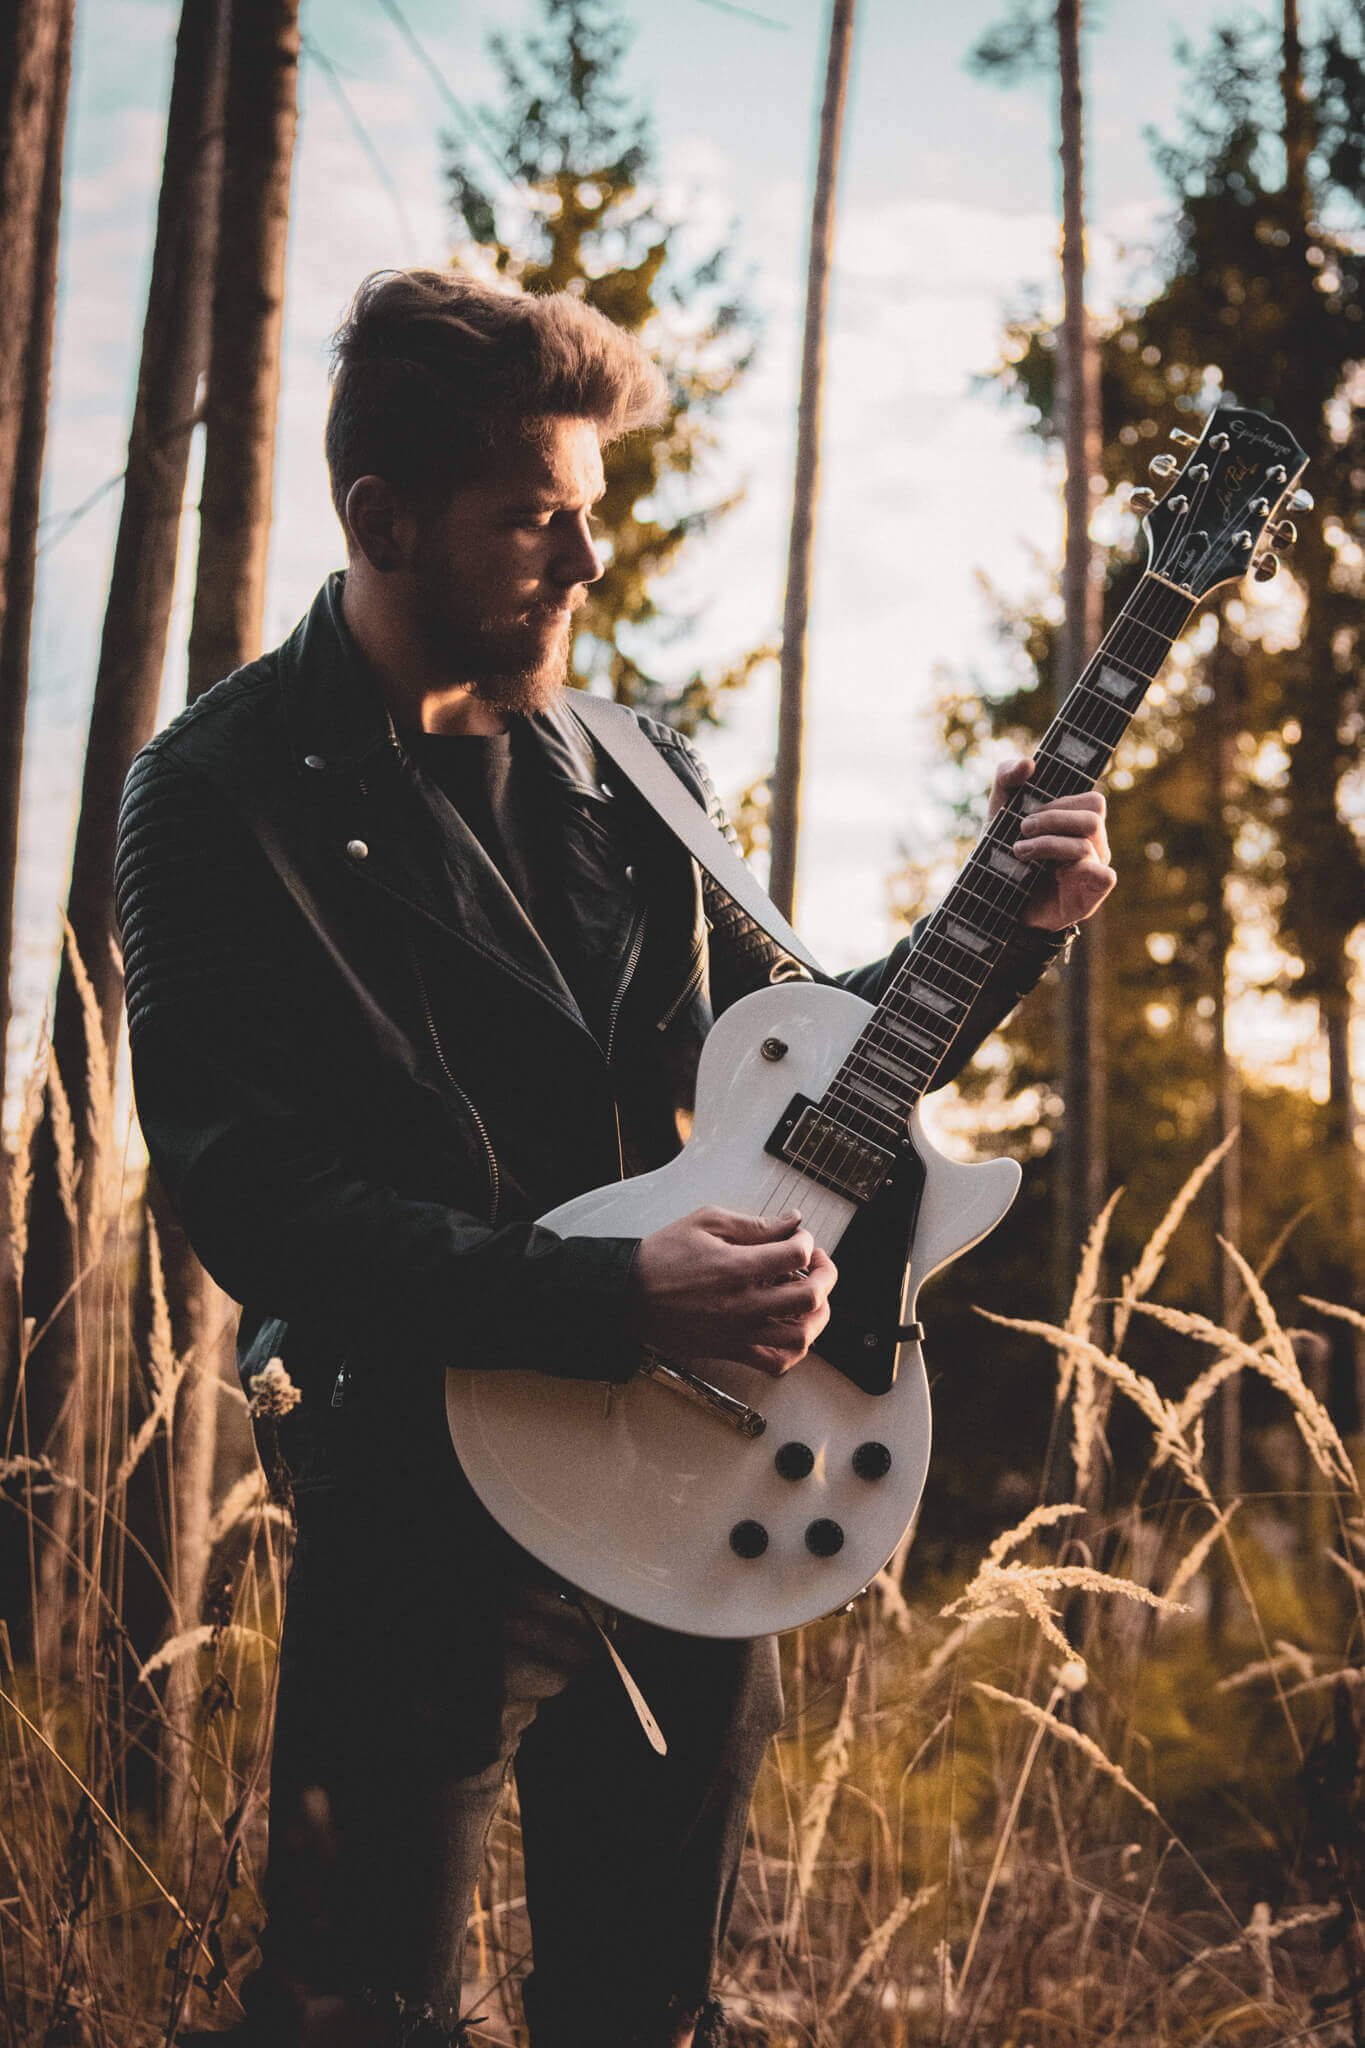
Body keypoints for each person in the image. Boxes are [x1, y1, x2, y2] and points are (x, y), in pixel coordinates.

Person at [115, 269, 1114, 2048]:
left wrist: (1002, 922)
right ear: (383, 517)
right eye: (536, 522)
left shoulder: (638, 770)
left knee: (639, 2011)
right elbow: (244, 1195)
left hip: (692, 1485)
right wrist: (601, 1296)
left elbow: (810, 1084)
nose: (585, 564)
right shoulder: (215, 793)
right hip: (420, 1487)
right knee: (355, 2018)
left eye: (595, 516)